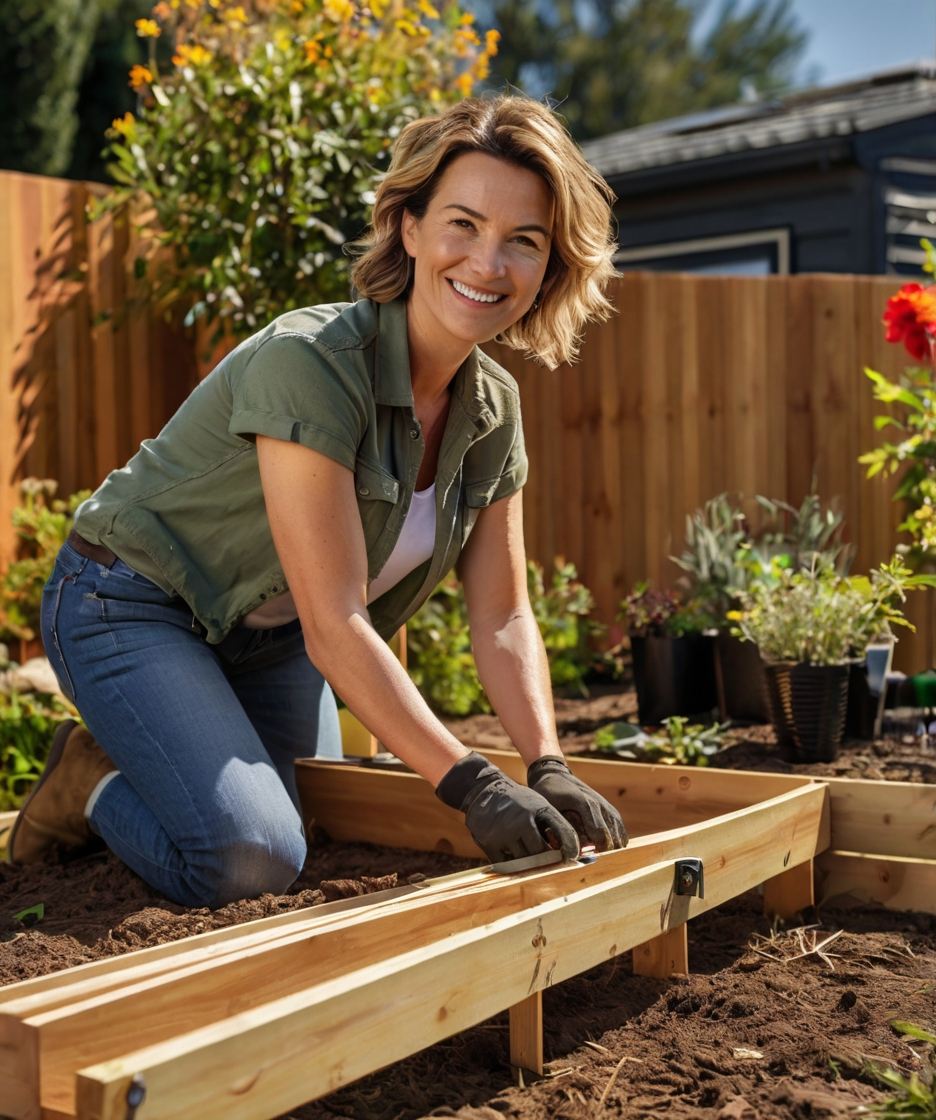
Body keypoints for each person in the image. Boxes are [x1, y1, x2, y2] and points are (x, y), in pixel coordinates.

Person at [9, 94, 628, 907]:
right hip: (127, 602)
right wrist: (473, 784)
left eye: (524, 241)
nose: (488, 264)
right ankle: (86, 780)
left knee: (319, 823)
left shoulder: (493, 413)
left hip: (270, 640)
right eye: (463, 225)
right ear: (409, 228)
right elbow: (337, 623)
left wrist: (549, 762)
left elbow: (504, 617)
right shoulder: (314, 363)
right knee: (252, 858)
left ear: (550, 266)